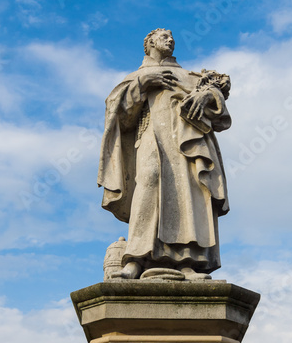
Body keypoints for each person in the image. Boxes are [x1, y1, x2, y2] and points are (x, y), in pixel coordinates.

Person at [98, 28, 231, 279]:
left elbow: (219, 112)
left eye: (171, 36)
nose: (169, 39)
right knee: (148, 183)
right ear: (148, 44)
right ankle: (135, 260)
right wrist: (141, 85)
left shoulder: (189, 76)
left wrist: (206, 96)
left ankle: (187, 263)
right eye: (162, 37)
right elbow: (119, 117)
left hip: (186, 145)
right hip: (150, 138)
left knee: (187, 194)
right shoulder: (136, 76)